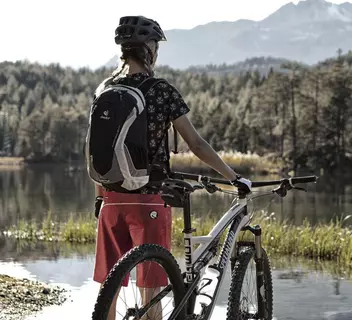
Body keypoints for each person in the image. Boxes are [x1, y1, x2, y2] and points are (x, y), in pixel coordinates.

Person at [91, 15, 252, 320]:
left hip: (110, 201)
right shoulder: (161, 90)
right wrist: (234, 176)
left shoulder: (104, 90)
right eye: (155, 45)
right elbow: (197, 144)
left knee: (109, 286)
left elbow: (98, 150)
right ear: (149, 49)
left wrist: (100, 197)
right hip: (150, 199)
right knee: (151, 286)